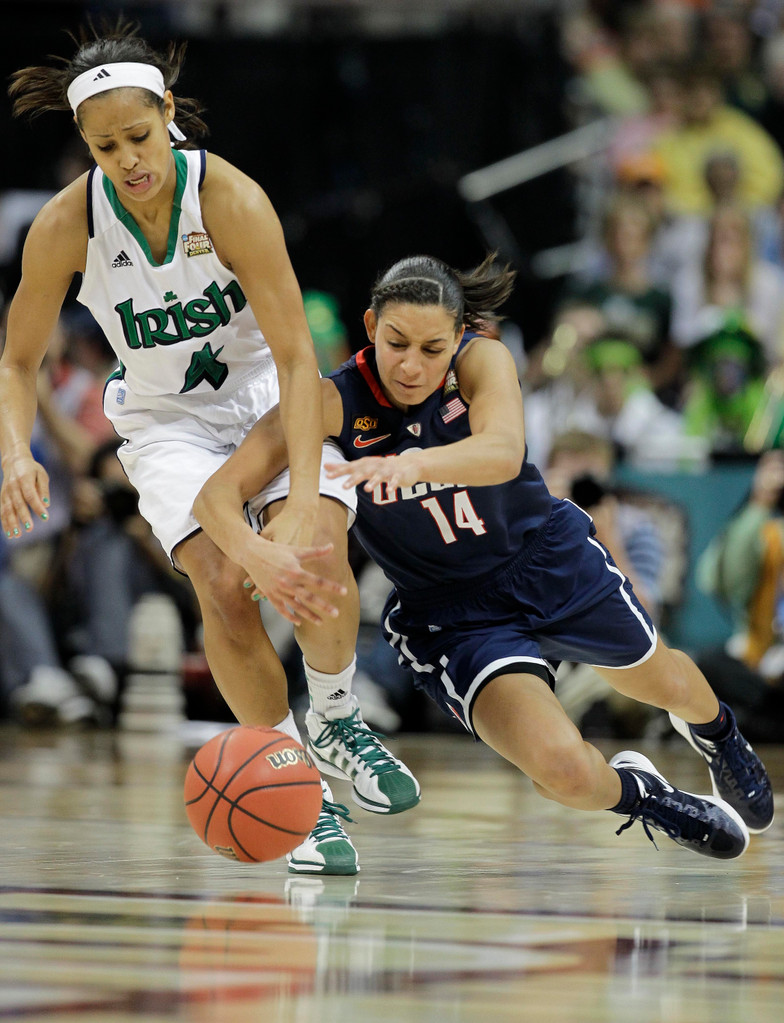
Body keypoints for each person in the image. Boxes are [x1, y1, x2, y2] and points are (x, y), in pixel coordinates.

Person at [0, 20, 419, 877]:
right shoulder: (64, 225)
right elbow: (16, 357)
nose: (130, 159)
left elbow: (303, 357)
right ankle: (294, 784)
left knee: (318, 542)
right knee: (225, 584)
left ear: (168, 114)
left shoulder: (228, 197)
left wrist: (303, 496)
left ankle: (336, 714)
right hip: (164, 421)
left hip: (268, 393)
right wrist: (15, 451)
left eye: (141, 136)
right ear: (85, 143)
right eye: (107, 145)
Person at [194, 252, 774, 861]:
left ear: (458, 338)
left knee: (669, 683)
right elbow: (216, 497)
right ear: (370, 328)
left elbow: (501, 451)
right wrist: (257, 553)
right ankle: (647, 798)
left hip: (544, 560)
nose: (412, 365)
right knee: (563, 770)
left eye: (431, 348)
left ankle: (719, 733)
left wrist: (411, 464)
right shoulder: (331, 402)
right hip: (454, 616)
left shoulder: (482, 359)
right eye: (396, 343)